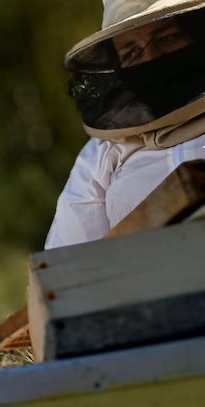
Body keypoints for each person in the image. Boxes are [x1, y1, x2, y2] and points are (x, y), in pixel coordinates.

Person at [47, 0, 205, 248]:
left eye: (167, 37)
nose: (151, 58)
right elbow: (69, 264)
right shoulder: (100, 155)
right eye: (132, 53)